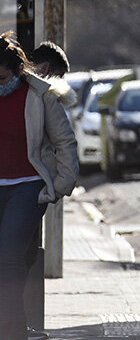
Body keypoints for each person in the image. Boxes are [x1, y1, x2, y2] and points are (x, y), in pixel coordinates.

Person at [0, 32, 79, 340]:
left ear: (17, 69)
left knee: (9, 253)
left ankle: (13, 330)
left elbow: (64, 141)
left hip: (28, 185)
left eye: (2, 76)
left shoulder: (40, 94)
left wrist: (60, 185)